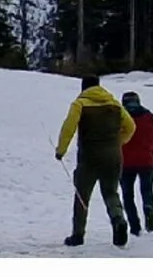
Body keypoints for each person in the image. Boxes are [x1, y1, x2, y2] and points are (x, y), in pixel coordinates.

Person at [55, 74, 136, 247]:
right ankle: (118, 220)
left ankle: (77, 235)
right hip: (113, 156)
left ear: (83, 87)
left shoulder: (81, 104)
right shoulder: (115, 104)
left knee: (82, 196)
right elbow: (131, 126)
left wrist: (61, 150)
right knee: (111, 192)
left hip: (89, 157)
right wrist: (118, 142)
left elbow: (69, 126)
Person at [119, 91, 153, 235]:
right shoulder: (149, 117)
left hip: (125, 162)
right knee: (147, 190)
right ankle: (148, 208)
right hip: (147, 161)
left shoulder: (119, 118)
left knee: (127, 194)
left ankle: (135, 225)